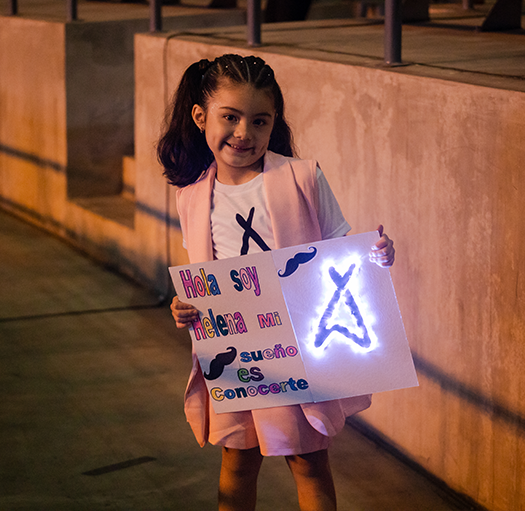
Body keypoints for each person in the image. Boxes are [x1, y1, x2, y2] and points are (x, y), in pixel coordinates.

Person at [157, 53, 395, 511]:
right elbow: (203, 281)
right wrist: (183, 306)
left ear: (274, 123)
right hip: (237, 354)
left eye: (259, 121)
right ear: (201, 117)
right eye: (230, 118)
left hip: (294, 350)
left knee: (308, 462)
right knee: (237, 461)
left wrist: (378, 256)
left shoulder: (301, 178)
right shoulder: (192, 199)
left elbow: (341, 249)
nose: (244, 133)